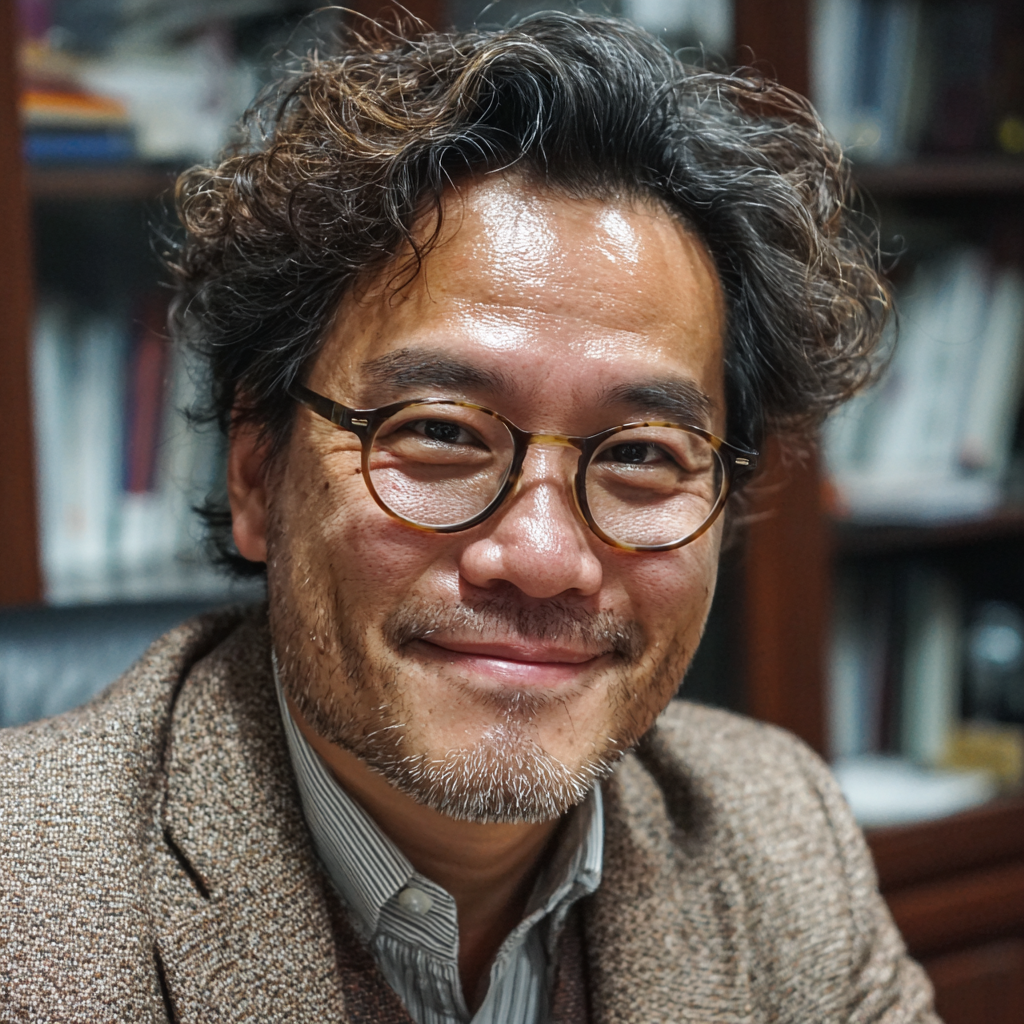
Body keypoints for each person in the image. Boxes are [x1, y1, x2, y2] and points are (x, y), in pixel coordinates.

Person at [0, 12, 938, 1023]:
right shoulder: (31, 904)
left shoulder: (781, 838)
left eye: (640, 455)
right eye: (441, 433)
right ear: (258, 474)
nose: (542, 556)